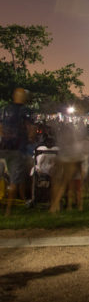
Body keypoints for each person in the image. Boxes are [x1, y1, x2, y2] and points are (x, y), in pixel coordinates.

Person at [1, 87, 33, 216]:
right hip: (17, 149)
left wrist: (4, 137)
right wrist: (29, 138)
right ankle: (8, 211)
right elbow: (31, 128)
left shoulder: (4, 110)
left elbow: (0, 128)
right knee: (14, 181)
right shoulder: (25, 111)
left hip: (3, 147)